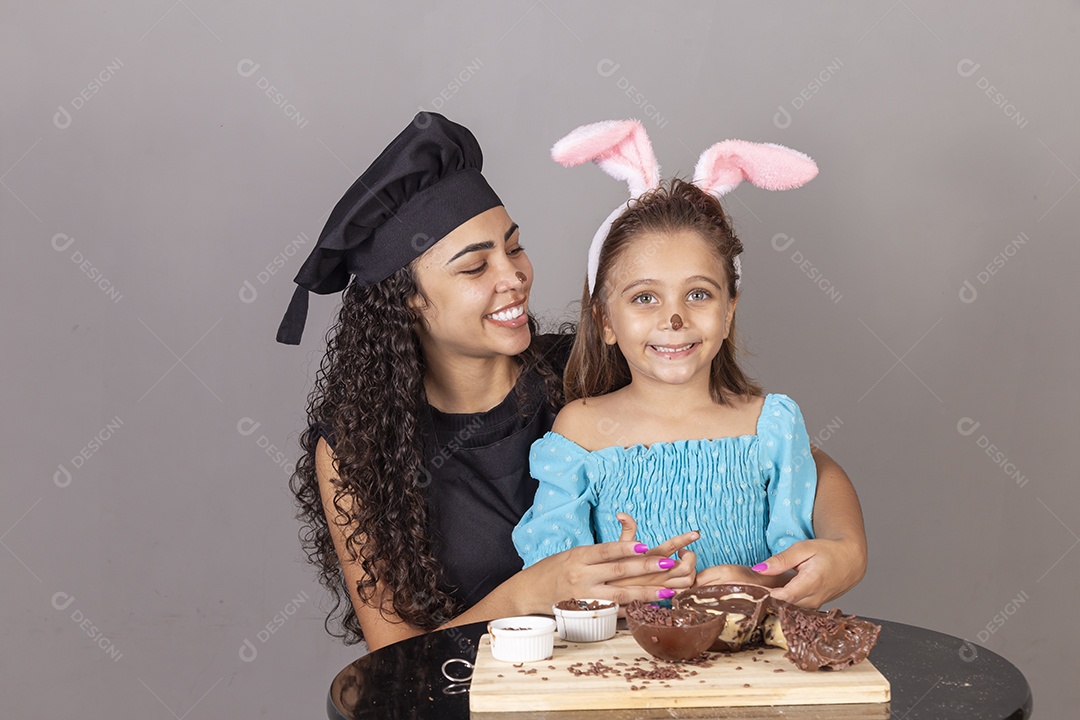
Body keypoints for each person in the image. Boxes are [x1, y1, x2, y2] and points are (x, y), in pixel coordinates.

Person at [279, 113, 866, 651]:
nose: (514, 277)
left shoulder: (585, 374)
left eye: (515, 247)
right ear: (406, 301)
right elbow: (395, 657)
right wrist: (538, 589)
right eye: (476, 266)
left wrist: (845, 550)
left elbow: (797, 461)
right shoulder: (359, 449)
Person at [514, 120, 833, 593]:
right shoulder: (580, 430)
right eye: (645, 298)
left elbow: (798, 568)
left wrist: (753, 584)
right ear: (605, 320)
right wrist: (616, 575)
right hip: (614, 664)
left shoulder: (771, 426)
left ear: (728, 313)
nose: (675, 318)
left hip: (744, 664)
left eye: (699, 295)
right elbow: (556, 575)